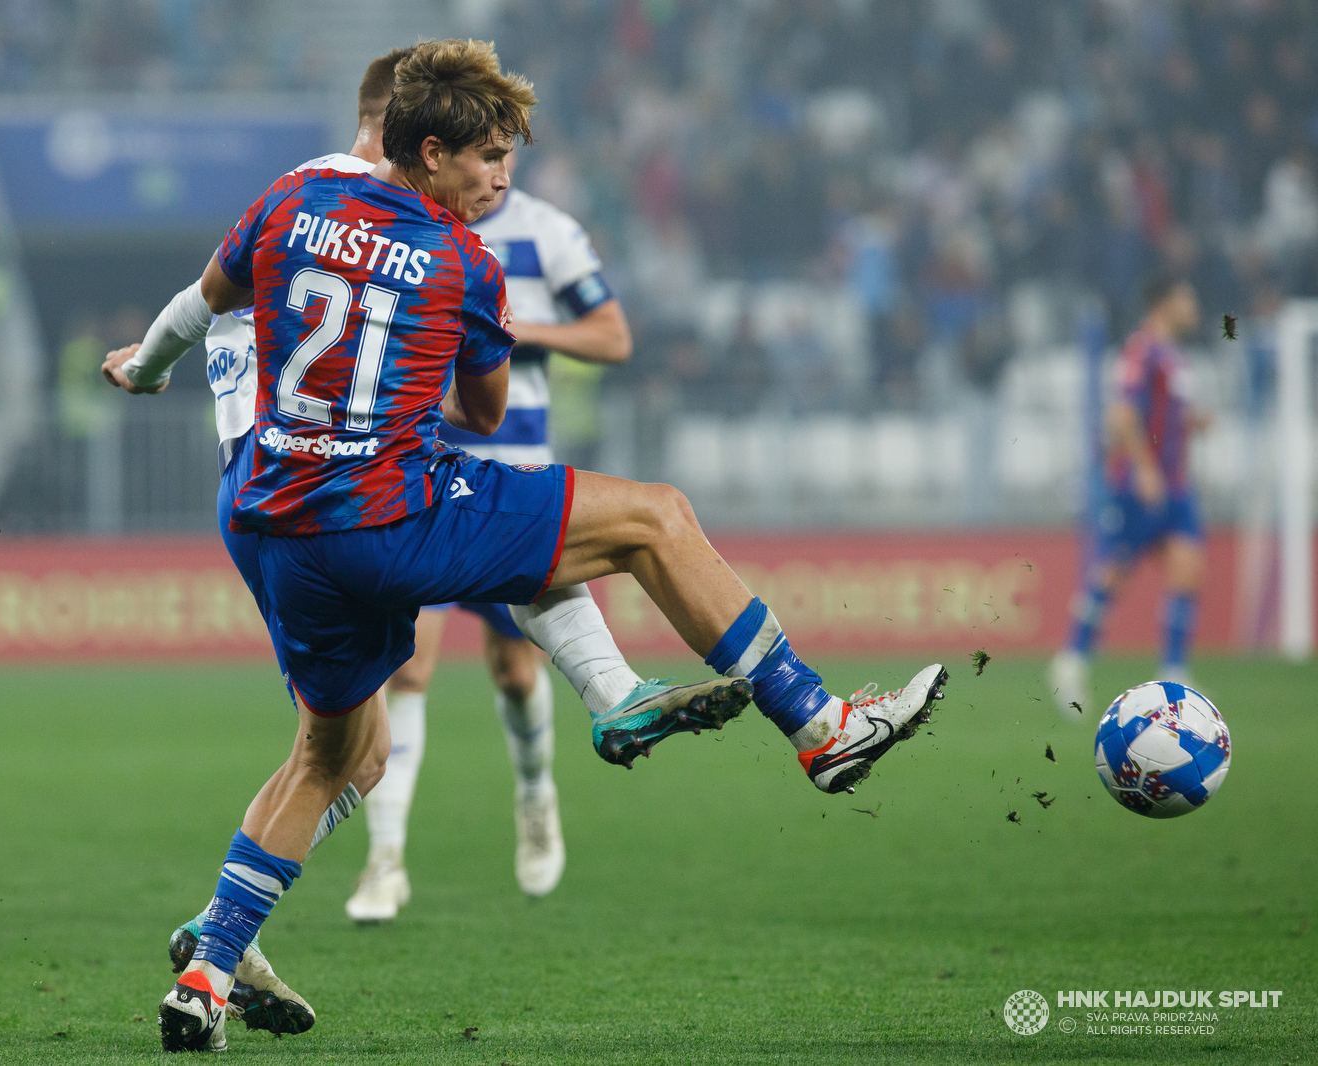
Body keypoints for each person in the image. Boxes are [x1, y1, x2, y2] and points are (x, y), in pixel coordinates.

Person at [105, 40, 945, 1053]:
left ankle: (207, 964)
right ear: (426, 149)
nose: (503, 178)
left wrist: (143, 370)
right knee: (653, 519)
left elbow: (203, 302)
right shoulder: (466, 263)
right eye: (488, 157)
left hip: (271, 527)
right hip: (385, 520)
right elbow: (484, 406)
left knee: (338, 756)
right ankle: (817, 723)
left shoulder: (289, 207)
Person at [345, 162, 635, 922]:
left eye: (506, 150)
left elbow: (613, 336)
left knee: (513, 672)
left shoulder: (545, 231)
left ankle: (536, 796)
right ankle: (385, 860)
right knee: (408, 670)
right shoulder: (401, 228)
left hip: (512, 481)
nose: (496, 167)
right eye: (485, 149)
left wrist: (518, 331)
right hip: (420, 479)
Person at [1050, 273, 1207, 712]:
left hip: (1176, 487)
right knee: (1114, 573)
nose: (1194, 305)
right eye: (1187, 296)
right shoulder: (1143, 351)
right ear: (1165, 302)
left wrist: (1194, 424)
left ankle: (1175, 674)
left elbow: (1165, 417)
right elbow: (1122, 416)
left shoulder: (1175, 357)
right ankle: (1072, 660)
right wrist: (1142, 468)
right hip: (1142, 484)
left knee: (1188, 567)